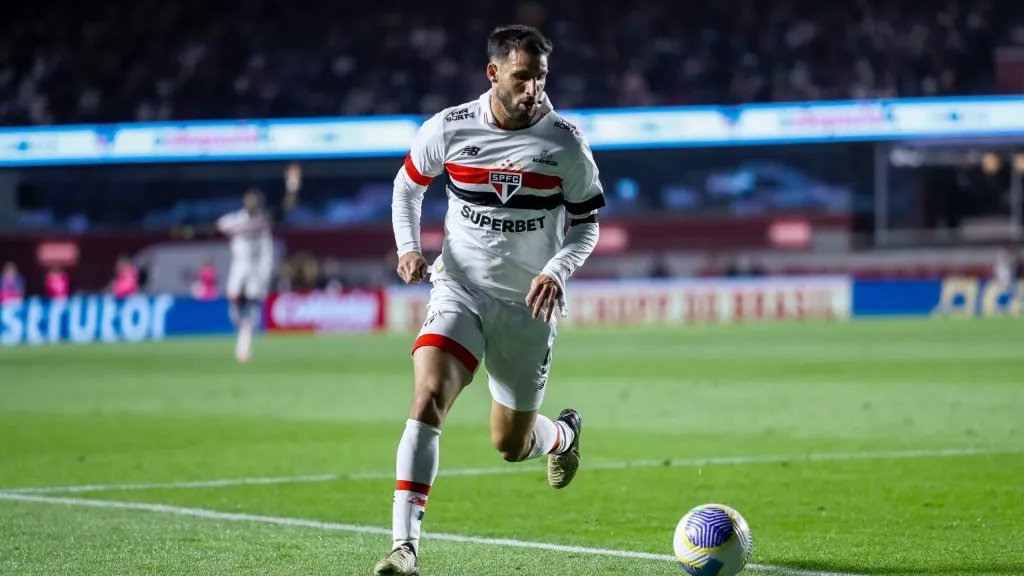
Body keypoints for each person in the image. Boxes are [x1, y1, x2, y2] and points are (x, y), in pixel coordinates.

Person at [375, 24, 605, 576]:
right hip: (460, 288)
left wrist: (556, 270)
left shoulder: (565, 145)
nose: (533, 89)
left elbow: (587, 225)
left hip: (527, 307)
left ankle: (562, 435)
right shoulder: (449, 128)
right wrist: (409, 248)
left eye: (541, 77)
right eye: (522, 77)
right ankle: (405, 547)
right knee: (428, 397)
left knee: (510, 443)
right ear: (493, 73)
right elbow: (408, 186)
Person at [175, 163, 301, 362]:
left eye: (255, 202)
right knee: (234, 304)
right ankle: (242, 330)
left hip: (258, 268)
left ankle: (244, 344)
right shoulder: (235, 220)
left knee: (251, 304)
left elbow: (287, 207)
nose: (252, 205)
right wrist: (189, 231)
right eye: (249, 201)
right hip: (239, 266)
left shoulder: (266, 218)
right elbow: (211, 229)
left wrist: (293, 185)